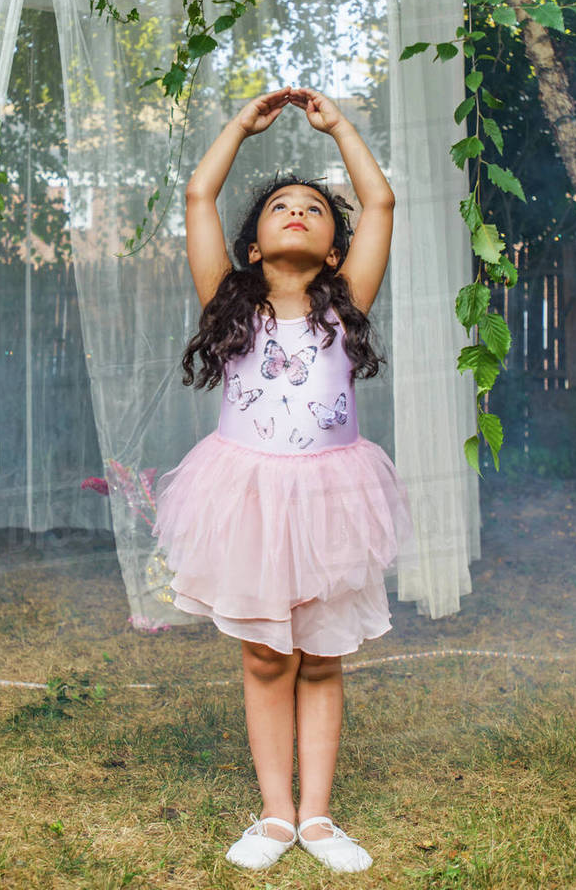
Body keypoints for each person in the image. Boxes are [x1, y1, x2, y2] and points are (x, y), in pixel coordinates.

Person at [152, 85, 415, 874]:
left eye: (312, 207)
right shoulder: (228, 307)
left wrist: (339, 130)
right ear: (255, 247)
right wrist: (239, 125)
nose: (296, 210)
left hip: (333, 496)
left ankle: (318, 818)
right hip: (248, 498)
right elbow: (199, 193)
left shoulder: (346, 306)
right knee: (267, 656)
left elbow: (380, 200)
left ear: (335, 248)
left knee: (323, 653)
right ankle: (273, 815)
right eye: (279, 207)